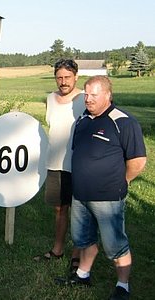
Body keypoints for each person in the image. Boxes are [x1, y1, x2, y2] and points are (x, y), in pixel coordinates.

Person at [56, 76, 146, 300]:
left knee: (115, 244)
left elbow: (138, 160)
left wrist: (122, 181)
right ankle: (83, 275)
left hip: (108, 197)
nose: (88, 99)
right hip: (81, 195)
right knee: (84, 239)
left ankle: (122, 286)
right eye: (86, 94)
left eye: (93, 95)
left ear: (108, 95)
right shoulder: (83, 119)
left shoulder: (123, 121)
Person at [33, 59, 83, 271]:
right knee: (59, 209)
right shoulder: (50, 99)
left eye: (67, 77)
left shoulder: (84, 98)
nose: (63, 82)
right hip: (55, 163)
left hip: (80, 164)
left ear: (76, 77)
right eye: (59, 77)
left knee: (80, 211)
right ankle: (58, 249)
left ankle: (77, 255)